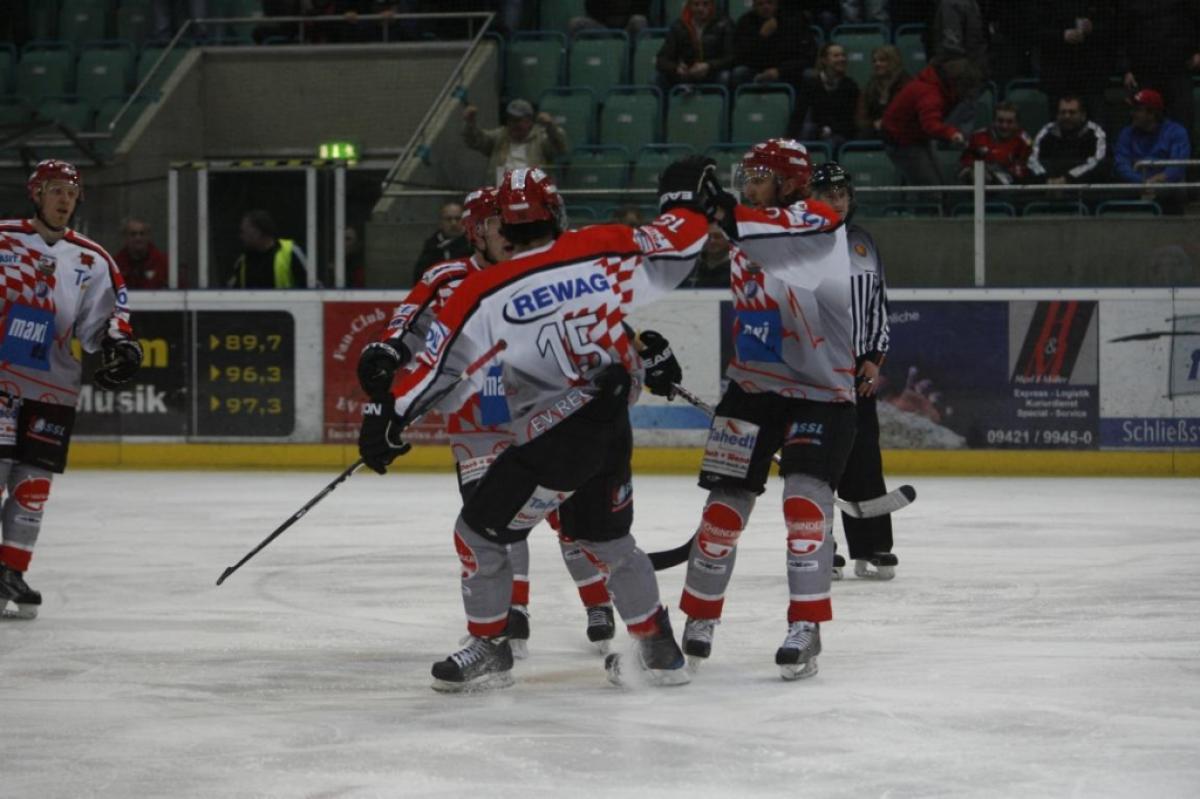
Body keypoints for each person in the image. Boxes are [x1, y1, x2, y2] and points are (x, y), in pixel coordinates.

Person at [357, 160, 716, 692]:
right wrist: (683, 197)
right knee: (608, 540)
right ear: (557, 212)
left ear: (505, 225)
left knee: (477, 532)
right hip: (611, 426)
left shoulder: (485, 291)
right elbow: (676, 239)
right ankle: (659, 651)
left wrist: (387, 416)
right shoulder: (599, 246)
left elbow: (436, 369)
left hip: (554, 438)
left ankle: (491, 645)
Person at [356, 187, 619, 658]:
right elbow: (408, 328)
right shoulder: (447, 278)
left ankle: (597, 601)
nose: (511, 232)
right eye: (499, 224)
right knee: (492, 521)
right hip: (476, 422)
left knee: (569, 519)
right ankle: (510, 617)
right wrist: (387, 352)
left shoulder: (543, 271)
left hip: (544, 413)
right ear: (477, 232)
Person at [674, 139, 856, 681]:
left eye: (758, 176)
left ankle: (806, 624)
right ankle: (699, 617)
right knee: (722, 513)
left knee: (804, 507)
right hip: (752, 388)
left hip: (821, 391)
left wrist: (723, 212)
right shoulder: (746, 224)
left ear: (790, 182)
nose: (748, 184)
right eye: (746, 175)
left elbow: (774, 243)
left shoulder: (820, 224)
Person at [0, 160, 143, 620]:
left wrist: (120, 345)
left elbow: (107, 319)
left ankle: (12, 572)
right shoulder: (4, 239)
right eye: (55, 189)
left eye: (71, 191)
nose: (64, 199)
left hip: (53, 383)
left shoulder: (93, 258)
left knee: (33, 485)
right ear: (36, 194)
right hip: (1, 377)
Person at [807, 162, 897, 581]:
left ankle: (873, 546)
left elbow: (879, 305)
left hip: (859, 372)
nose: (837, 201)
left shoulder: (863, 242)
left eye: (842, 193)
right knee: (818, 464)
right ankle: (817, 545)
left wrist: (874, 359)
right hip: (817, 373)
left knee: (865, 461)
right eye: (828, 194)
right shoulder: (798, 245)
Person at [881, 58, 980, 186]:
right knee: (930, 189)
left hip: (915, 137)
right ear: (957, 83)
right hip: (901, 141)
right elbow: (930, 125)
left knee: (938, 184)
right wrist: (952, 133)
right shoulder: (930, 94)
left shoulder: (936, 84)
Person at [1117, 0, 1200, 140]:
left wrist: (1197, 50)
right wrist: (1126, 69)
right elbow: (1122, 33)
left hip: (1178, 67)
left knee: (1182, 120)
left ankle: (1181, 154)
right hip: (1144, 69)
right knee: (1143, 121)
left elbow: (1195, 18)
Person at [1113, 89, 1192, 214]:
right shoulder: (1126, 133)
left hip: (1166, 188)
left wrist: (1159, 180)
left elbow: (1178, 165)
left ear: (1152, 114)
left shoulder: (1176, 131)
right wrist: (1143, 183)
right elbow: (1121, 164)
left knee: (1171, 193)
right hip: (1135, 186)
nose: (1132, 113)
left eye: (1137, 110)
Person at [1035, 1, 1116, 121]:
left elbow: (1113, 28)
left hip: (1091, 75)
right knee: (1060, 122)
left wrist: (1093, 28)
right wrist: (1062, 35)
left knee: (1095, 121)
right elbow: (1033, 30)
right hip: (1058, 74)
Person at [462, 98, 568, 186]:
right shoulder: (500, 136)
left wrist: (550, 126)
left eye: (518, 120)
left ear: (529, 121)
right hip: (501, 192)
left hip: (532, 193)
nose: (514, 125)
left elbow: (560, 147)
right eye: (511, 120)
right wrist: (470, 123)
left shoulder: (540, 138)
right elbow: (475, 141)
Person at [730, 0, 818, 89]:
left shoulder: (792, 19)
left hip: (788, 69)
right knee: (739, 73)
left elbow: (806, 56)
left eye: (769, 3)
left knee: (810, 75)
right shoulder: (746, 22)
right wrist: (761, 37)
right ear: (754, 6)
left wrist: (780, 71)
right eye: (760, 4)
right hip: (757, 69)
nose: (765, 7)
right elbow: (741, 55)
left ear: (776, 4)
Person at [789, 43, 860, 150]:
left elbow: (849, 120)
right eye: (836, 56)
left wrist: (829, 130)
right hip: (815, 132)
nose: (841, 59)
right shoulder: (811, 84)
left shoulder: (850, 86)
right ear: (824, 60)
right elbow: (799, 115)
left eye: (843, 55)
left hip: (839, 135)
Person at [929, 0, 988, 129]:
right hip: (959, 73)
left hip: (969, 73)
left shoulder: (970, 4)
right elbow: (952, 47)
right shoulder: (952, 4)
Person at [1026, 95, 1108, 185]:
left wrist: (1068, 178)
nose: (1067, 116)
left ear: (1083, 115)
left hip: (1084, 187)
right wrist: (1045, 179)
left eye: (1072, 112)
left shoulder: (1095, 133)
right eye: (1063, 112)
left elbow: (1098, 160)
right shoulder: (1047, 131)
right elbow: (1032, 160)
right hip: (1048, 186)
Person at [655, 0, 735, 90]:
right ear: (689, 6)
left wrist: (708, 66)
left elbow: (731, 58)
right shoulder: (679, 26)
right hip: (686, 75)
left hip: (712, 73)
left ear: (712, 5)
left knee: (725, 76)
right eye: (696, 5)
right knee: (658, 78)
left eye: (705, 4)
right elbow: (661, 60)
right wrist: (676, 68)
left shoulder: (724, 24)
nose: (700, 9)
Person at [227, 210, 308, 289]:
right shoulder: (242, 261)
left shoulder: (290, 251)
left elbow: (311, 284)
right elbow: (231, 293)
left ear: (257, 233)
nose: (241, 236)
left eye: (243, 232)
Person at [958, 101, 1033, 185]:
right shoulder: (978, 137)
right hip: (979, 188)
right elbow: (962, 169)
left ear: (1017, 123)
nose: (1004, 126)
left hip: (1012, 188)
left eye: (1010, 122)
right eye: (1000, 121)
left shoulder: (1024, 141)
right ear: (993, 121)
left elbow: (1025, 174)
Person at [855, 44, 911, 140]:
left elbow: (906, 115)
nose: (877, 64)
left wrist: (886, 123)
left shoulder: (906, 84)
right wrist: (871, 125)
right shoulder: (870, 86)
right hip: (873, 132)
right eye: (874, 61)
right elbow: (861, 115)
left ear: (893, 61)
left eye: (882, 60)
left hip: (900, 134)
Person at [412, 202, 471, 285]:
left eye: (458, 218)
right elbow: (420, 278)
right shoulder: (431, 247)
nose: (453, 223)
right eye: (448, 219)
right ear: (441, 222)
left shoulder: (473, 245)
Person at [114, 217, 169, 290]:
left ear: (148, 236)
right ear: (125, 237)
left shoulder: (163, 262)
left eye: (142, 234)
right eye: (133, 234)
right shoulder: (116, 264)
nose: (138, 238)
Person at [680, 222, 731, 288]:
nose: (712, 241)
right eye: (708, 237)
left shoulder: (736, 267)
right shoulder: (691, 266)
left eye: (717, 237)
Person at [567, 0, 651, 36]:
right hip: (604, 29)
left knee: (639, 20)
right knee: (575, 23)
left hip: (628, 29)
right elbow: (591, 8)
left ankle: (646, 59)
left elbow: (642, 8)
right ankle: (568, 61)